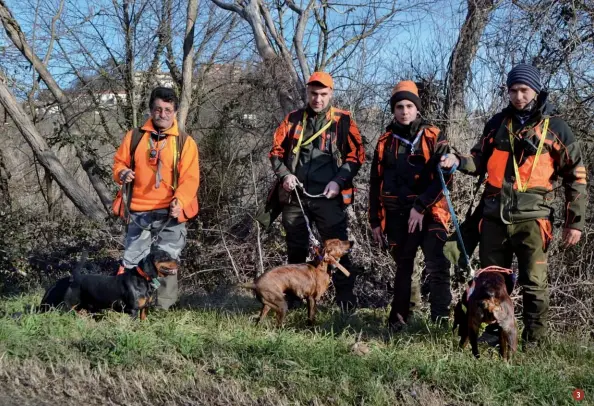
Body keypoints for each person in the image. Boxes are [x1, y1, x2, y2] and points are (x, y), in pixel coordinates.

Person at [440, 64, 587, 345]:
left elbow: (577, 176)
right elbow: (477, 160)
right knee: (491, 283)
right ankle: (496, 331)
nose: (519, 96)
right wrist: (457, 161)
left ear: (536, 91)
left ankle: (534, 338)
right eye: (513, 90)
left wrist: (574, 223)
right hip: (494, 215)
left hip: (534, 217)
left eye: (524, 90)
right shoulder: (496, 123)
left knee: (534, 282)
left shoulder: (556, 128)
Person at [269, 72, 365, 311]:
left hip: (329, 197)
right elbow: (275, 153)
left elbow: (357, 156)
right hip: (296, 197)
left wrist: (339, 181)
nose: (318, 99)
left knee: (338, 251)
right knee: (296, 248)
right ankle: (293, 302)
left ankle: (345, 303)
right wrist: (285, 175)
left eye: (323, 94)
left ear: (331, 94)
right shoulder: (292, 119)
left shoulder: (343, 121)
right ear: (307, 92)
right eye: (313, 93)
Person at [369, 80, 452, 329]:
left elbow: (445, 177)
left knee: (437, 265)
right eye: (399, 107)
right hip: (397, 214)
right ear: (393, 110)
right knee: (404, 267)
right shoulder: (384, 142)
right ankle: (400, 319)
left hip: (431, 211)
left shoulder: (434, 135)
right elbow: (375, 182)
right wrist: (375, 220)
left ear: (417, 108)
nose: (404, 111)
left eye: (409, 106)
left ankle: (440, 321)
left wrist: (421, 206)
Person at [112, 87, 200, 310]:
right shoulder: (134, 137)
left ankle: (163, 309)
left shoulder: (185, 142)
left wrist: (179, 200)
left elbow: (190, 178)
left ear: (175, 111)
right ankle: (127, 306)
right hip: (138, 211)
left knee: (168, 262)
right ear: (151, 110)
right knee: (133, 261)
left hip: (170, 213)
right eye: (158, 109)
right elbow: (118, 164)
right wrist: (122, 173)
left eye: (168, 110)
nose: (163, 114)